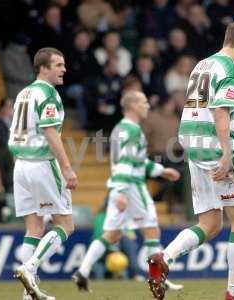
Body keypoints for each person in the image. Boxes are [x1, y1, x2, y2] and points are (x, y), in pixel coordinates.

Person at [147, 20, 234, 300]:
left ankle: (165, 257)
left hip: (191, 142)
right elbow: (221, 113)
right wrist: (226, 153)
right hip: (214, 144)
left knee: (210, 223)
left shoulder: (203, 64)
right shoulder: (231, 69)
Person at [72, 90, 183, 293]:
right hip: (131, 186)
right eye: (144, 102)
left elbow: (135, 161)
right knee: (151, 231)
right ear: (133, 106)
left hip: (119, 185)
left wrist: (160, 171)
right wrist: (123, 191)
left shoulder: (120, 129)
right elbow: (126, 163)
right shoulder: (132, 130)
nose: (148, 105)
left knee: (111, 234)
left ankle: (83, 270)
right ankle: (158, 279)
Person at [10, 47, 78, 300]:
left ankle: (27, 294)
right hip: (41, 163)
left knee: (34, 227)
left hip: (21, 165)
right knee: (66, 224)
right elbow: (50, 133)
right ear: (43, 68)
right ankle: (30, 268)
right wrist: (67, 168)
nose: (64, 69)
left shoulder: (24, 93)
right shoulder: (48, 93)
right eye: (58, 65)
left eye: (63, 64)